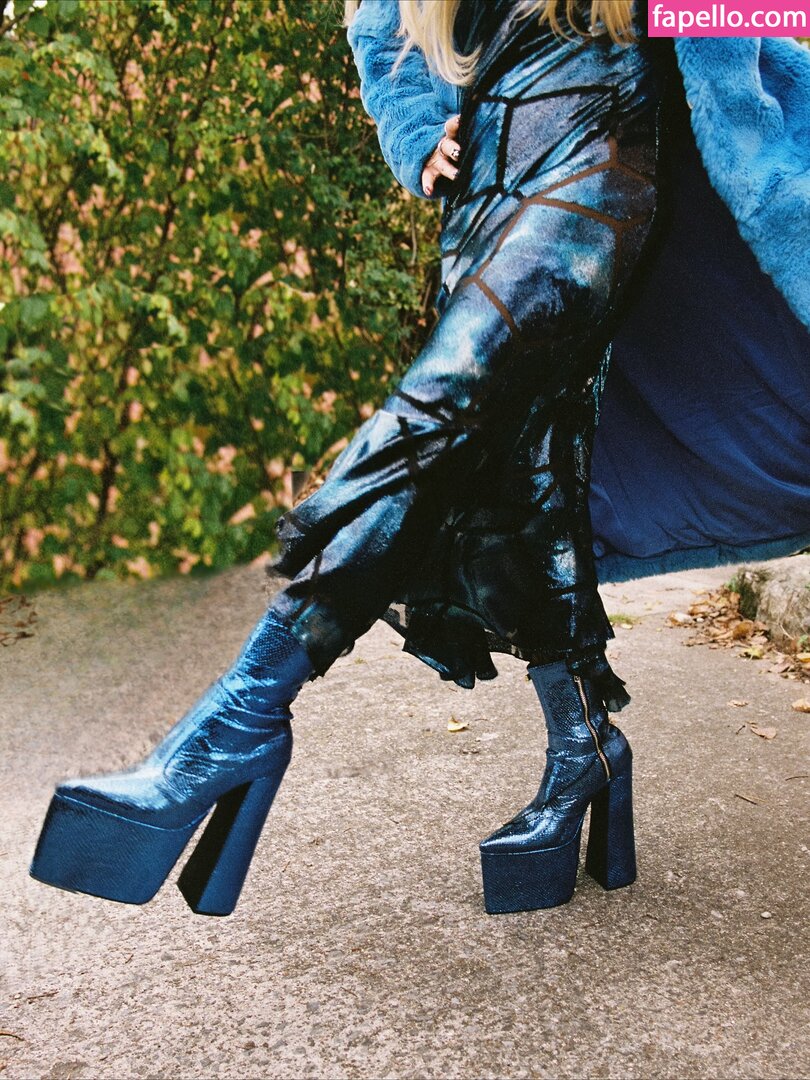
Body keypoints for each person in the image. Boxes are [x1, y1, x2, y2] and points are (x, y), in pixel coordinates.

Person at [30, 0, 810, 917]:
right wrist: (414, 138)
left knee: (443, 409)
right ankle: (584, 751)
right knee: (522, 472)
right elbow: (384, 29)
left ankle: (232, 725)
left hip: (601, 136)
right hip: (488, 173)